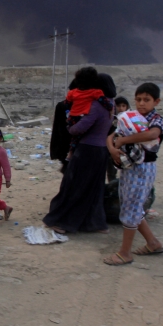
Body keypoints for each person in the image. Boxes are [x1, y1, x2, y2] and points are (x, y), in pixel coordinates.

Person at [43, 66, 113, 234]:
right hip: (101, 151)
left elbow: (78, 129)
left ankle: (59, 221)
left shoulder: (95, 106)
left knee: (73, 187)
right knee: (94, 189)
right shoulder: (111, 104)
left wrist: (70, 126)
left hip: (87, 151)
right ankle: (94, 223)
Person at [104, 82, 163, 265]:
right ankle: (153, 243)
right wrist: (112, 149)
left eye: (146, 100)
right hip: (129, 168)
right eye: (138, 99)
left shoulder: (156, 120)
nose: (141, 103)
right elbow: (111, 135)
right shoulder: (130, 117)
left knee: (131, 209)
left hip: (143, 169)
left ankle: (125, 253)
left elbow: (152, 135)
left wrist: (124, 140)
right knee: (131, 207)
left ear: (156, 101)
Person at [107, 96, 131, 182]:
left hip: (123, 150)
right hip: (108, 149)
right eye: (118, 106)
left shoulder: (130, 120)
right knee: (110, 172)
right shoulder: (110, 118)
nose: (121, 108)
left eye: (123, 106)